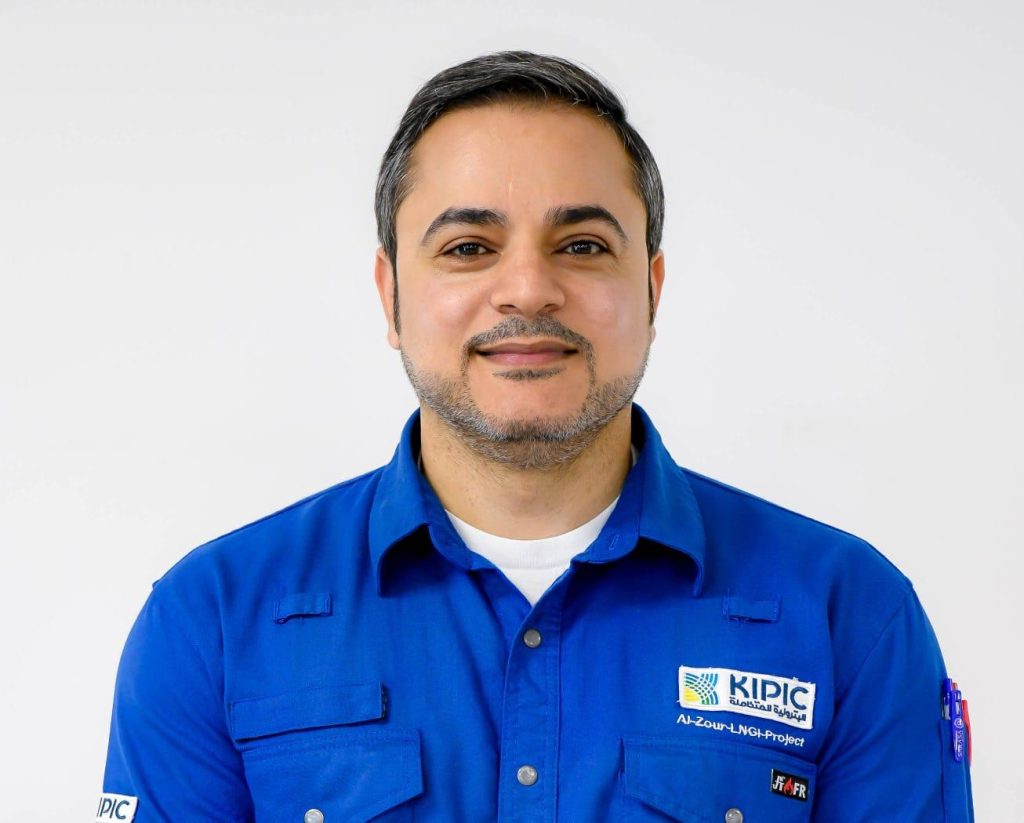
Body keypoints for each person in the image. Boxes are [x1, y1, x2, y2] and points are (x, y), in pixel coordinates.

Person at [99, 50, 974, 822]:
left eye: (583, 246)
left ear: (653, 290)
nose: (527, 288)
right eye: (468, 247)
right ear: (390, 295)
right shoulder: (212, 620)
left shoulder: (848, 613)